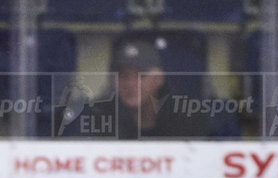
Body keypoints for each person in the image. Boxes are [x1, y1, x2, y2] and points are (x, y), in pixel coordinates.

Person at [63, 38, 208, 140]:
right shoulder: (95, 118)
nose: (131, 84)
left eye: (141, 75)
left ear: (159, 79)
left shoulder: (187, 120)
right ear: (113, 80)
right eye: (123, 76)